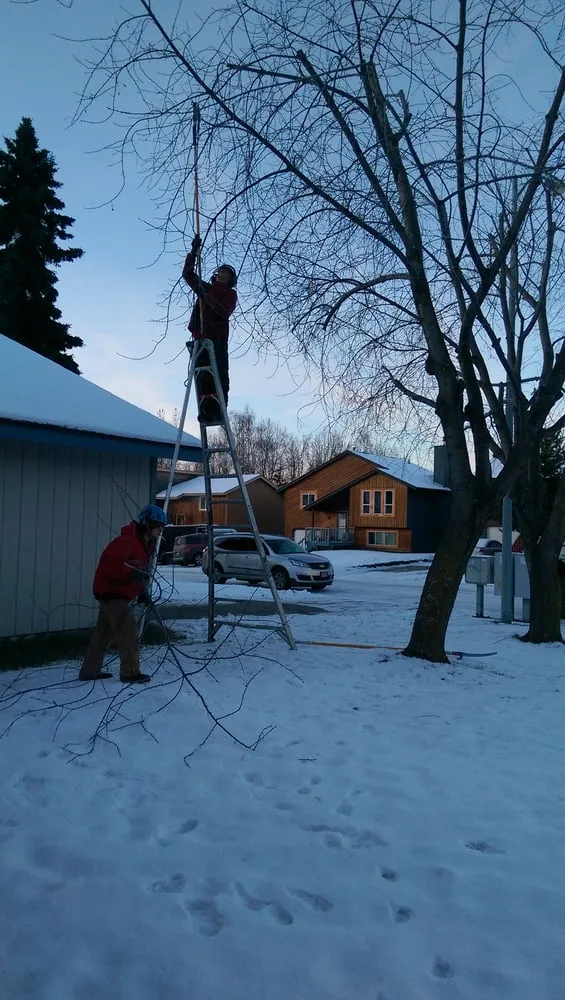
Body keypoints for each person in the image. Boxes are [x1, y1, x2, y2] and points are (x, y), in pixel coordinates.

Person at [78, 505, 167, 684]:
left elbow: (139, 573)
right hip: (112, 593)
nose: (160, 530)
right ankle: (130, 672)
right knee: (128, 627)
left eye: (162, 527)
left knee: (104, 634)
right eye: (158, 526)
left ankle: (89, 671)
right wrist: (130, 576)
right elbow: (110, 569)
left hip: (120, 594)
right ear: (147, 524)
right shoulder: (126, 543)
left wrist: (141, 592)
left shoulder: (144, 546)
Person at [182, 235, 238, 424]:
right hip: (200, 337)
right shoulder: (207, 288)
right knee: (203, 377)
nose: (222, 273)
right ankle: (206, 410)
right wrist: (193, 253)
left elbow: (223, 312)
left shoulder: (230, 294)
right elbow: (188, 275)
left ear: (230, 279)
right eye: (221, 270)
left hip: (217, 339)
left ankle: (219, 410)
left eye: (226, 272)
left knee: (220, 375)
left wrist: (207, 294)